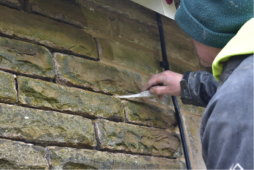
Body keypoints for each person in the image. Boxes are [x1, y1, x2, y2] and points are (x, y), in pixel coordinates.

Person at [142, 1, 254, 170]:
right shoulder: (244, 85)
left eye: (192, 30)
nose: (191, 39)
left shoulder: (235, 107)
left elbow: (239, 100)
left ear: (213, 31)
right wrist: (188, 84)